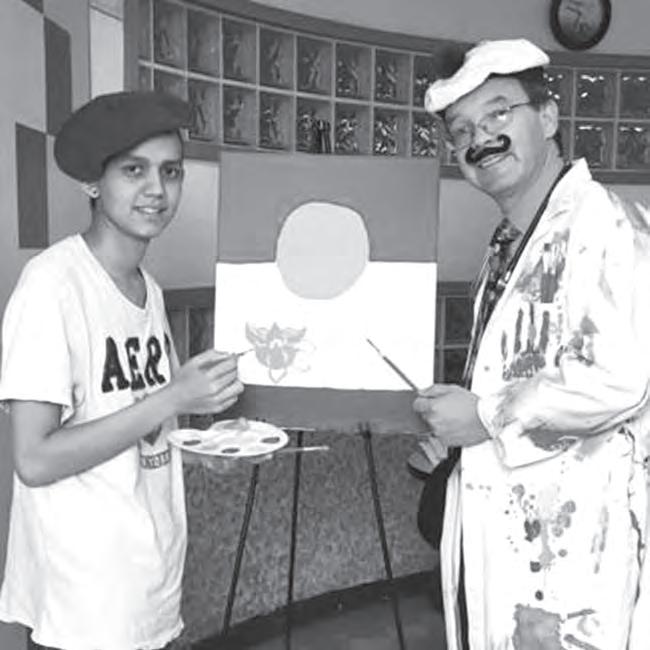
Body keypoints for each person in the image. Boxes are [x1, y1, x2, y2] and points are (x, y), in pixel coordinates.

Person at [412, 38, 650, 650]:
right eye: (462, 130)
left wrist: (486, 417)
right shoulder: (510, 243)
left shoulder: (604, 225)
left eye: (498, 114)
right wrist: (459, 423)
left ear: (547, 117)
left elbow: (617, 378)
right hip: (518, 537)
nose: (480, 139)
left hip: (574, 552)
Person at [0, 90, 244, 650]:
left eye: (170, 171)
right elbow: (34, 459)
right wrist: (174, 398)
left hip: (147, 584)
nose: (157, 189)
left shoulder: (147, 290)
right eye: (134, 170)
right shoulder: (52, 285)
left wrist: (204, 453)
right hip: (84, 604)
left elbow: (140, 424)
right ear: (93, 182)